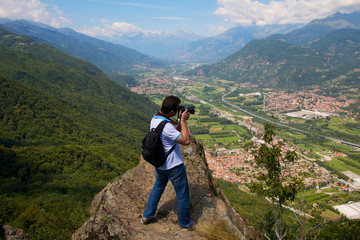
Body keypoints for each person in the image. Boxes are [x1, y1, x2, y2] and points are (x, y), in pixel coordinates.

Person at [141, 95, 192, 228]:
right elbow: (186, 141)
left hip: (160, 164)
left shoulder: (155, 119)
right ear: (171, 112)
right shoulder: (167, 127)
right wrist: (184, 121)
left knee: (158, 187)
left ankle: (147, 215)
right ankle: (185, 223)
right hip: (174, 166)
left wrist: (179, 119)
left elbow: (169, 129)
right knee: (182, 194)